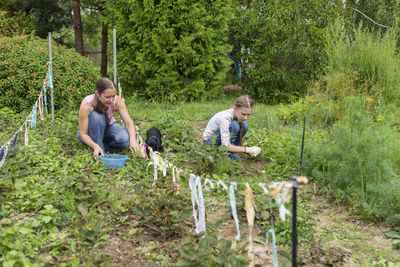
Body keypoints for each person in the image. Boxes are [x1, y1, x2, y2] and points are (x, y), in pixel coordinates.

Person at [77, 78, 140, 160]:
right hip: (90, 133)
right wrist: (94, 145)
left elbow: (128, 122)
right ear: (97, 94)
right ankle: (99, 149)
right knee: (97, 116)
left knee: (124, 140)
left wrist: (133, 140)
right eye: (107, 97)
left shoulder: (117, 100)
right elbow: (83, 133)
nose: (111, 100)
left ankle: (101, 146)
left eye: (113, 96)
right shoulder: (86, 104)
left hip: (107, 127)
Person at [202, 95, 261, 160]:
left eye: (248, 115)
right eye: (243, 114)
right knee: (234, 125)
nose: (246, 118)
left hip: (221, 140)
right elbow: (225, 145)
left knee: (245, 125)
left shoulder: (236, 114)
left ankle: (230, 152)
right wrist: (248, 149)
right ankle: (218, 152)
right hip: (210, 142)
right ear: (235, 108)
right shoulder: (225, 118)